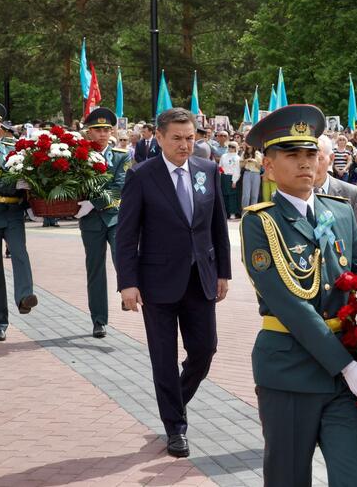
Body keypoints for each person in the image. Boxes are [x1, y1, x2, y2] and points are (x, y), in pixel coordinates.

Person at [241, 104, 357, 487]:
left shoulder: (341, 210)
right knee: (288, 479)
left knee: (355, 479)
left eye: (311, 154)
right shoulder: (260, 222)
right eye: (292, 155)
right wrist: (347, 367)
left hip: (342, 376)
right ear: (268, 167)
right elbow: (290, 305)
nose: (305, 163)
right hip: (291, 372)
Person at [115, 107, 231, 458]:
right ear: (160, 137)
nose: (185, 145)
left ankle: (174, 400)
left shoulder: (208, 170)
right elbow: (126, 234)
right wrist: (127, 282)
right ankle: (175, 428)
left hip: (201, 278)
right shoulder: (142, 175)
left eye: (190, 138)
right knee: (163, 358)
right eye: (177, 138)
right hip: (157, 281)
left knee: (204, 349)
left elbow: (218, 226)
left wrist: (223, 271)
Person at [0, 101, 37, 341]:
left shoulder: (12, 148)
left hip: (13, 212)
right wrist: (14, 183)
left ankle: (25, 297)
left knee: (19, 253)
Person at [76, 107, 129, 338]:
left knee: (124, 261)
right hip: (91, 222)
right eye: (97, 130)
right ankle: (99, 319)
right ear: (89, 132)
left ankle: (127, 294)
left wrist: (93, 202)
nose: (102, 134)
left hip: (115, 217)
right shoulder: (78, 155)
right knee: (95, 271)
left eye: (106, 129)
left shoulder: (121, 155)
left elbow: (119, 185)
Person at [314, 135, 357, 254]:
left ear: (331, 158)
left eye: (319, 158)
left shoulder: (350, 193)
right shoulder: (295, 193)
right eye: (308, 158)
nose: (312, 165)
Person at [218, 141, 242, 219]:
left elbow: (237, 170)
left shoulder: (238, 158)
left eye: (233, 147)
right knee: (224, 195)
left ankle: (232, 213)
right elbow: (220, 166)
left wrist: (234, 181)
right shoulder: (224, 156)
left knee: (232, 196)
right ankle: (225, 212)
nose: (231, 148)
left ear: (236, 148)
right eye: (230, 146)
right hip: (224, 177)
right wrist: (222, 173)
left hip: (232, 177)